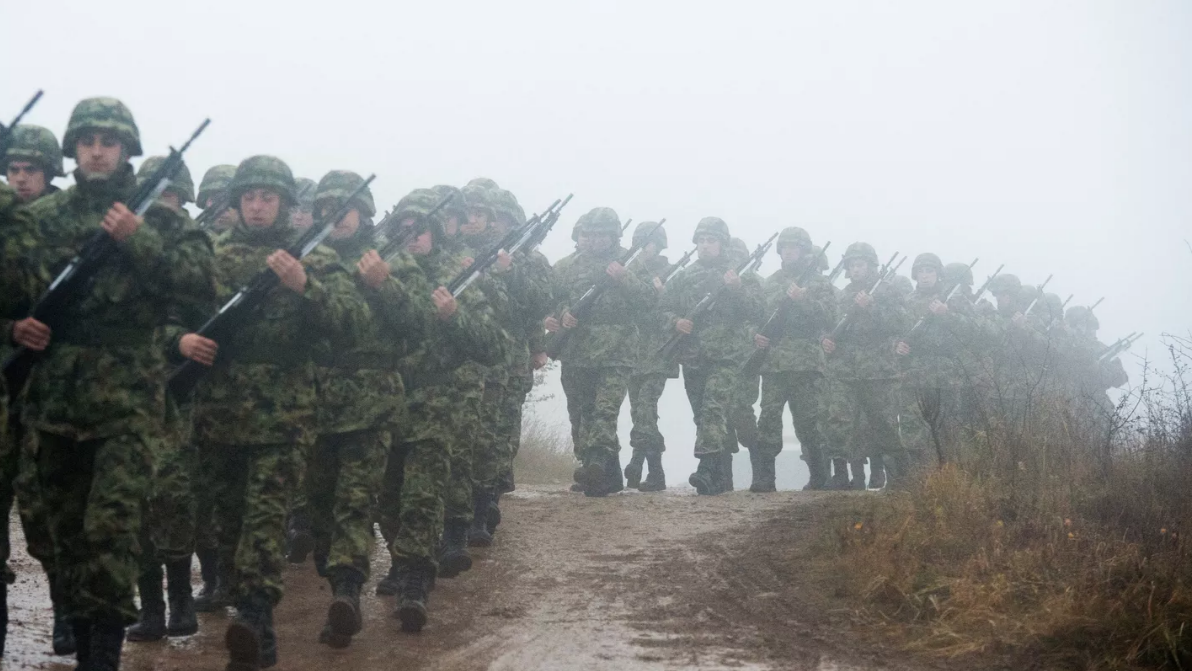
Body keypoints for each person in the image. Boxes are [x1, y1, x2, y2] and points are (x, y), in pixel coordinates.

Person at [13, 97, 215, 670]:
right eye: (87, 140)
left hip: (128, 402)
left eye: (109, 140)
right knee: (65, 533)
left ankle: (100, 657)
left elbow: (202, 284)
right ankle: (78, 624)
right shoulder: (41, 219)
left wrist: (138, 239)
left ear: (128, 149)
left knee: (111, 528)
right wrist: (14, 324)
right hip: (53, 400)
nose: (98, 150)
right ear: (72, 150)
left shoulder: (164, 219)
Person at [188, 155, 368, 670]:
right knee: (227, 525)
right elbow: (168, 317)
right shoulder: (210, 256)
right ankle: (252, 622)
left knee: (265, 523)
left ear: (286, 205)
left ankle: (255, 619)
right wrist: (181, 341)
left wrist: (304, 286)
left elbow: (353, 324)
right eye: (250, 196)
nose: (258, 205)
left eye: (269, 197)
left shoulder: (313, 258)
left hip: (285, 418)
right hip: (219, 415)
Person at [365, 188, 507, 632]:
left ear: (434, 233)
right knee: (385, 498)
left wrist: (455, 315)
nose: (412, 238)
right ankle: (400, 559)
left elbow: (492, 345)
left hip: (436, 405)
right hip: (384, 403)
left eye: (420, 230)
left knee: (423, 495)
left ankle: (414, 577)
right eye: (403, 230)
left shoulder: (457, 275)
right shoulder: (378, 276)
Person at [125, 155, 213, 644]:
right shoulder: (120, 248)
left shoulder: (195, 250)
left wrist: (179, 339)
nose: (164, 206)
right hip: (130, 387)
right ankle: (150, 607)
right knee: (135, 496)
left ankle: (180, 598)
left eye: (172, 196)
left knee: (174, 494)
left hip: (183, 389)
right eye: (156, 195)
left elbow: (210, 311)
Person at [546, 207, 651, 497]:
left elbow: (650, 303)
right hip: (577, 351)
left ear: (614, 235)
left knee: (605, 412)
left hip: (617, 351)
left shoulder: (630, 262)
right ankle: (607, 473)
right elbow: (551, 300)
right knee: (581, 414)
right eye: (590, 234)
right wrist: (562, 314)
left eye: (602, 234)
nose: (595, 240)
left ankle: (596, 463)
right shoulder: (567, 266)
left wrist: (625, 278)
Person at [660, 218, 763, 495]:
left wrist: (737, 288)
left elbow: (758, 311)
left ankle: (705, 468)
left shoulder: (741, 275)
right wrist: (675, 322)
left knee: (713, 410)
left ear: (723, 244)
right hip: (693, 356)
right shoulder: (684, 277)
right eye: (701, 241)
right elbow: (663, 309)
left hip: (727, 357)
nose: (705, 246)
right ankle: (720, 475)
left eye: (711, 240)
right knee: (701, 417)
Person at [820, 242, 912, 489]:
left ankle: (900, 479)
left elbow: (901, 321)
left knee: (884, 424)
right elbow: (829, 327)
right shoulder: (842, 295)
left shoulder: (888, 292)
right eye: (851, 265)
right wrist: (827, 342)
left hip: (878, 371)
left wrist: (871, 306)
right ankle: (840, 475)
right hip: (845, 370)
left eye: (860, 264)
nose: (855, 269)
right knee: (838, 420)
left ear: (871, 266)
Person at [751, 227, 835, 491]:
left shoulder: (819, 284)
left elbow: (830, 317)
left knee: (810, 422)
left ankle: (820, 476)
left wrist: (804, 299)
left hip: (806, 363)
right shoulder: (772, 281)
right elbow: (756, 317)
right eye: (785, 247)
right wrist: (754, 336)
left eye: (794, 247)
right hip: (775, 363)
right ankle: (765, 478)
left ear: (804, 251)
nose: (789, 251)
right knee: (768, 419)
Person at [625, 221, 673, 491]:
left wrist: (662, 295)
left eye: (649, 243)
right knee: (640, 413)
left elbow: (674, 311)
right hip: (632, 351)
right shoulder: (628, 271)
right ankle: (656, 473)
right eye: (640, 243)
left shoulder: (671, 273)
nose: (644, 249)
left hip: (658, 352)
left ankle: (636, 462)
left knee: (645, 408)